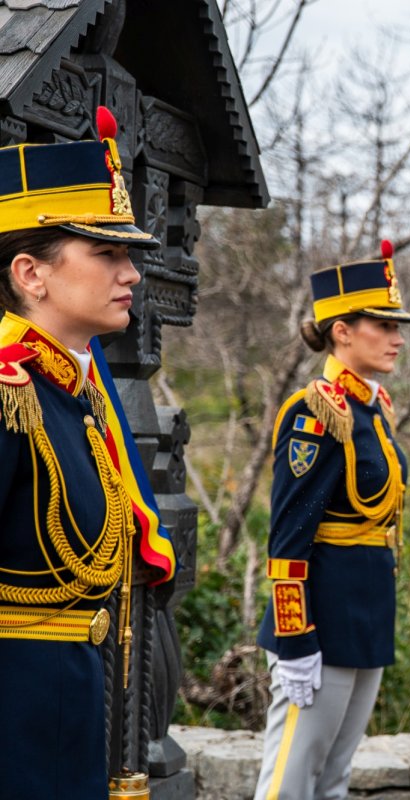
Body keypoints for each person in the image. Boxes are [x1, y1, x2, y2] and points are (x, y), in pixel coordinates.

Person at [0, 108, 160, 797]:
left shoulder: (80, 390)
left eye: (129, 255)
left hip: (76, 708)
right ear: (31, 273)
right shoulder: (10, 392)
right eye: (107, 254)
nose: (132, 274)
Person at [254, 243, 410, 800]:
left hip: (366, 612)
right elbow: (288, 537)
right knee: (291, 780)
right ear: (341, 331)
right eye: (383, 323)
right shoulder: (316, 412)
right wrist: (295, 641)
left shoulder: (374, 407)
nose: (397, 337)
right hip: (319, 618)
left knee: (333, 780)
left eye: (399, 325)